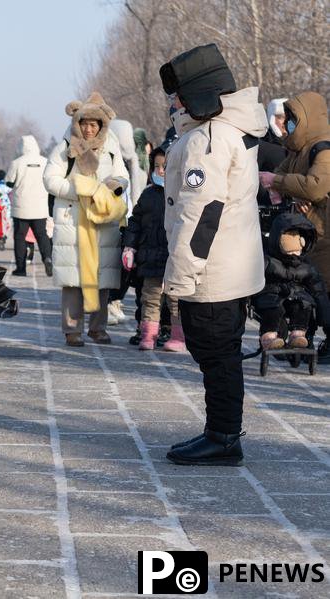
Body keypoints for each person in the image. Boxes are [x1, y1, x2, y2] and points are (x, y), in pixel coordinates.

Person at [159, 43, 267, 466]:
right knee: (218, 355)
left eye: (180, 95)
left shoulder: (211, 137)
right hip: (229, 265)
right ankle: (219, 431)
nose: (175, 103)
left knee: (216, 355)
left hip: (212, 270)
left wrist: (181, 276)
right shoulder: (230, 128)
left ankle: (223, 438)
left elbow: (201, 213)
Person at [43, 92, 129, 347]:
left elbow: (122, 177)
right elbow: (50, 179)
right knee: (73, 280)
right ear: (77, 123)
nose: (89, 129)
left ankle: (98, 327)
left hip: (102, 220)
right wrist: (80, 189)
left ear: (102, 125)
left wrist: (109, 188)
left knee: (102, 278)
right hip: (73, 219)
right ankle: (72, 329)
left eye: (94, 124)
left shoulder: (111, 147)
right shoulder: (66, 146)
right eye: (85, 123)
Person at [261, 92, 330, 362]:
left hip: (324, 235)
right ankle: (300, 340)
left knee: (322, 291)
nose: (286, 125)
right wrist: (282, 188)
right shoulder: (298, 151)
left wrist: (279, 183)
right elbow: (279, 176)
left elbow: (316, 186)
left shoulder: (322, 149)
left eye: (291, 120)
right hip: (306, 236)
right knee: (306, 290)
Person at [122, 147, 185, 352]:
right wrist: (129, 246)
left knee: (176, 300)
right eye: (157, 166)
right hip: (151, 256)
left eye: (165, 167)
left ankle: (178, 337)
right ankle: (148, 335)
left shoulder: (183, 193)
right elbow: (135, 222)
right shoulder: (148, 195)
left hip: (175, 257)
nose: (161, 171)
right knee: (150, 298)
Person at [252, 213, 330, 350]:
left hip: (296, 297)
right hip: (272, 296)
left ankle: (298, 334)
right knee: (274, 309)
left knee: (303, 306)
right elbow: (253, 278)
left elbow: (318, 290)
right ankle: (269, 337)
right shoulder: (268, 262)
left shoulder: (306, 267)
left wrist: (325, 316)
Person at [107, 119, 148, 325]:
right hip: (110, 220)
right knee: (111, 265)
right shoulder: (108, 160)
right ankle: (108, 302)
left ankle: (114, 300)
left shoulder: (136, 161)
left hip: (130, 220)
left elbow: (139, 191)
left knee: (124, 267)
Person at [6, 134, 52, 276]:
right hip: (40, 206)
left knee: (20, 237)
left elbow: (9, 182)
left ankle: (21, 268)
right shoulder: (45, 162)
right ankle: (48, 258)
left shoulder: (17, 163)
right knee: (42, 235)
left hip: (22, 207)